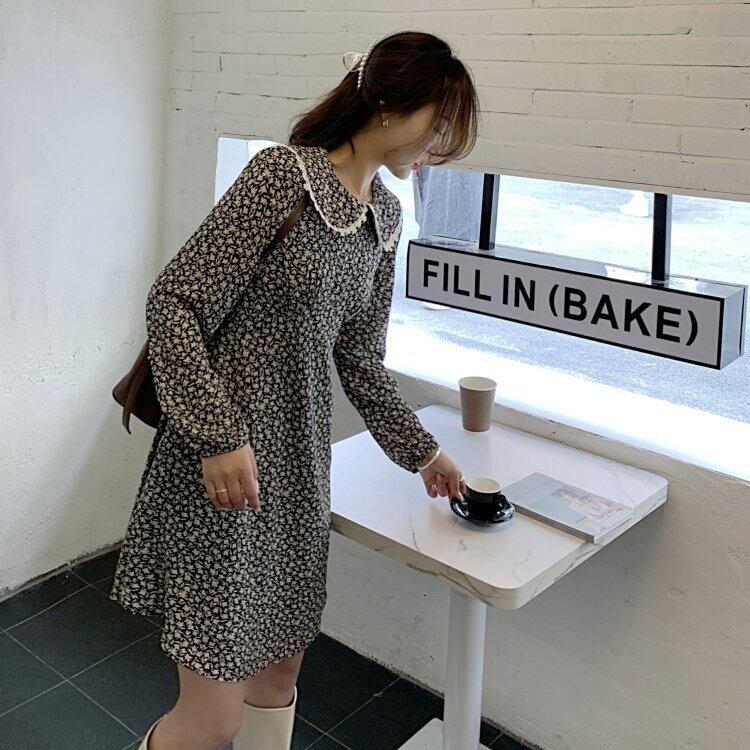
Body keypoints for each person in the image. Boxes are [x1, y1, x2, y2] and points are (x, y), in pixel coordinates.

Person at [110, 30, 480, 750]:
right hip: (224, 474)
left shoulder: (386, 218)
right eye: (438, 123)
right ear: (387, 104)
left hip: (300, 475)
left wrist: (424, 452)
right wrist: (219, 436)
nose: (439, 146)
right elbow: (175, 302)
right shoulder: (283, 177)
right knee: (213, 719)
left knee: (279, 675)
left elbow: (360, 359)